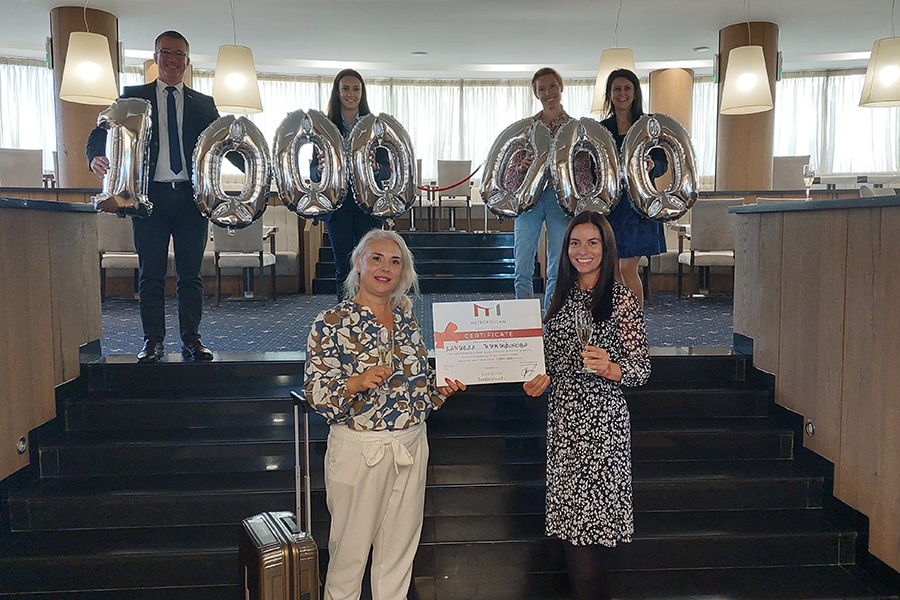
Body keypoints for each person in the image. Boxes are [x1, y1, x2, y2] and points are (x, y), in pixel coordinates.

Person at [302, 229, 465, 600]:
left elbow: (417, 391)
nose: (385, 268)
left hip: (411, 443)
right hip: (360, 449)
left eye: (395, 262)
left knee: (398, 556)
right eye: (376, 258)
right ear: (358, 263)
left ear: (403, 272)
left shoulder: (407, 319)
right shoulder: (331, 322)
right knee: (349, 556)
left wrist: (442, 388)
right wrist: (356, 383)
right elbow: (316, 393)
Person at [523, 211, 650, 600]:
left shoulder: (621, 299)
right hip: (564, 425)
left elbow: (641, 368)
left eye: (592, 243)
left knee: (589, 531)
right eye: (575, 243)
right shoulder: (559, 296)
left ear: (606, 248)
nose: (583, 251)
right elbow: (549, 360)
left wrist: (611, 368)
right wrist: (536, 379)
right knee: (571, 528)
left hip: (602, 427)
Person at [86, 30, 221, 363]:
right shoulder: (133, 97)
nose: (173, 59)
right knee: (151, 274)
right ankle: (153, 340)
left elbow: (221, 143)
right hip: (149, 199)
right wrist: (95, 156)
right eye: (166, 52)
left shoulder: (203, 104)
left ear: (187, 62)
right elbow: (99, 130)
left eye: (179, 54)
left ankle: (192, 338)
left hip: (191, 199)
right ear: (155, 57)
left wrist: (254, 166)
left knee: (191, 275)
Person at [504, 67, 582, 310]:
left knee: (558, 267)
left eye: (552, 86)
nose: (548, 93)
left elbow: (582, 169)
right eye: (542, 89)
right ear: (536, 93)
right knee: (522, 266)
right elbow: (510, 174)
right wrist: (523, 166)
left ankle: (552, 321)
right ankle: (524, 322)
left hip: (561, 201)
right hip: (529, 201)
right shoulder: (527, 128)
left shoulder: (575, 128)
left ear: (561, 87)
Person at [311, 69, 391, 300]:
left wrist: (376, 168)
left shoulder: (374, 126)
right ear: (337, 92)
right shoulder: (325, 127)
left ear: (362, 93)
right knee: (343, 268)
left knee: (373, 265)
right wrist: (321, 168)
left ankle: (371, 312)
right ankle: (345, 316)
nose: (351, 94)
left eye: (356, 89)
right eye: (345, 88)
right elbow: (313, 173)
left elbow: (386, 169)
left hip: (369, 206)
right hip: (338, 208)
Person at [600, 68, 668, 307]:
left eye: (627, 88)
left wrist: (651, 165)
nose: (622, 93)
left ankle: (635, 322)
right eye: (617, 88)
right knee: (613, 269)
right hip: (612, 207)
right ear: (610, 94)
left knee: (627, 267)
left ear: (635, 93)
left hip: (639, 205)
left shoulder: (649, 125)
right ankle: (622, 319)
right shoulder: (602, 128)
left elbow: (663, 163)